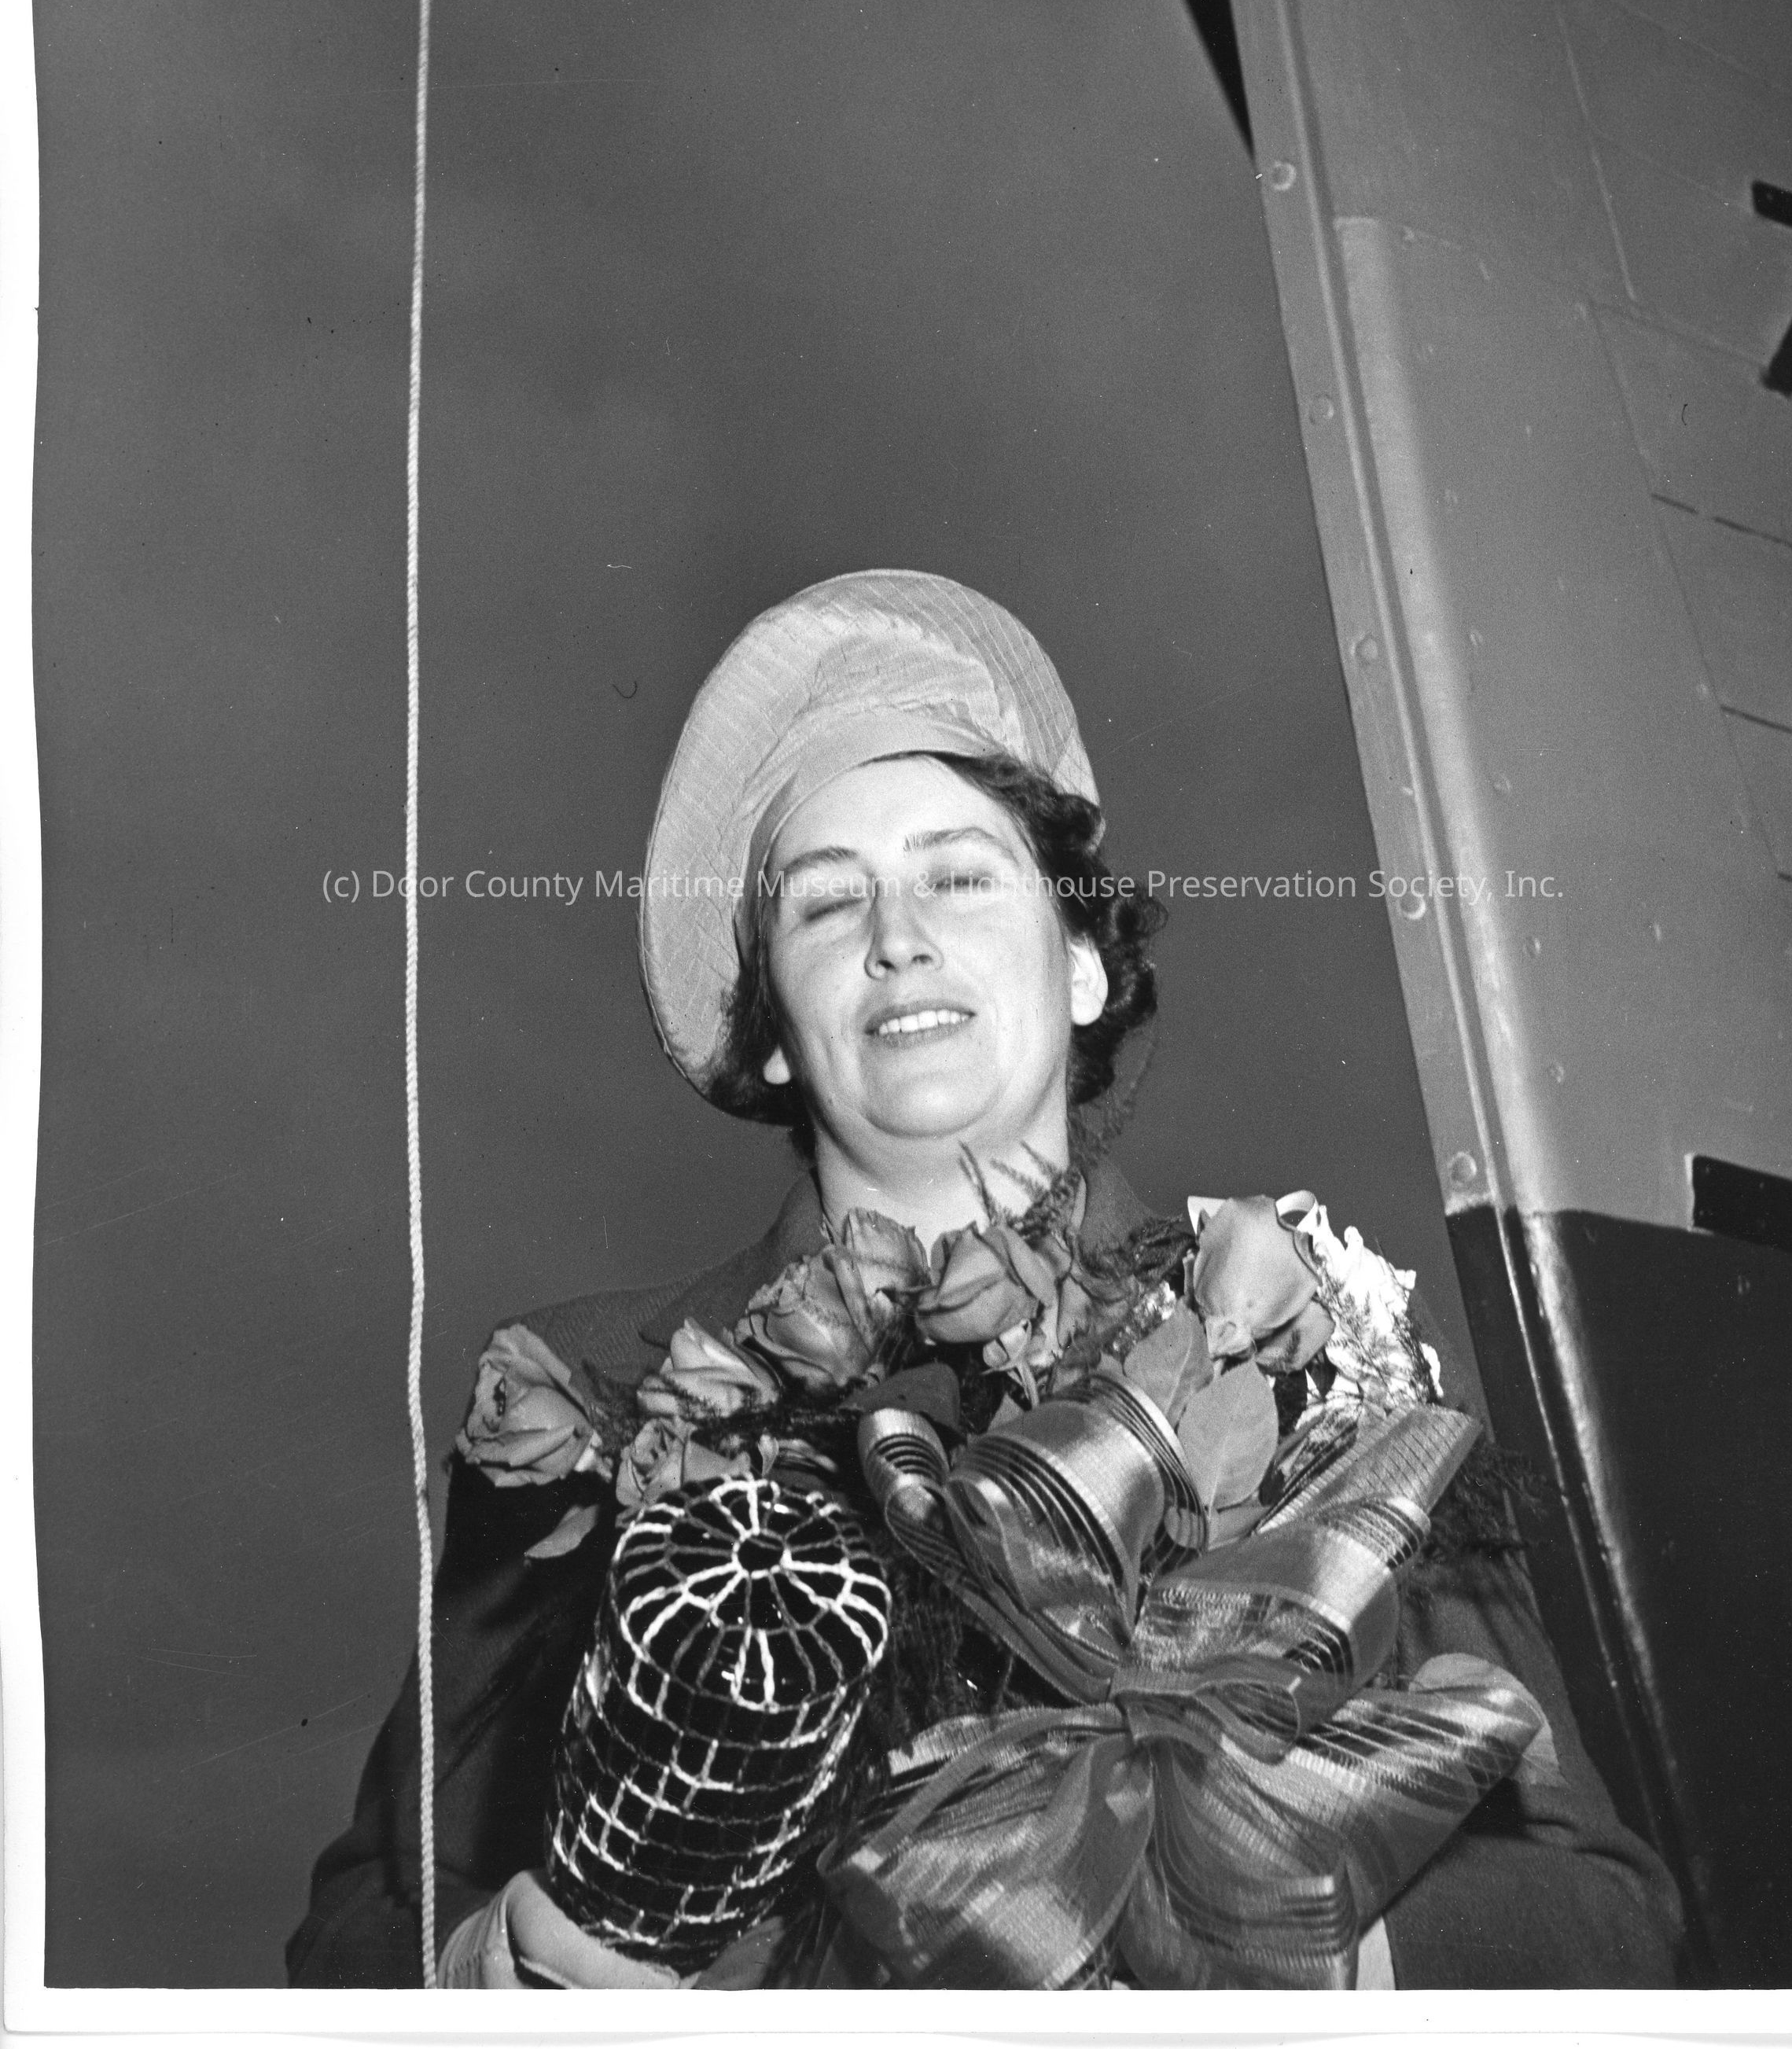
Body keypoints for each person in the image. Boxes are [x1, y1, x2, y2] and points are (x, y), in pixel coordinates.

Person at [287, 569, 1683, 1990]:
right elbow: (362, 1921)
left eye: (958, 875)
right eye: (827, 903)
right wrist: (502, 1971)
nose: (897, 935)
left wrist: (1277, 1944)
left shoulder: (1316, 1331)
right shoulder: (586, 1388)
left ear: (1081, 961)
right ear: (769, 1029)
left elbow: (1603, 1913)